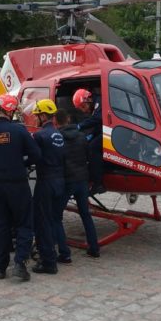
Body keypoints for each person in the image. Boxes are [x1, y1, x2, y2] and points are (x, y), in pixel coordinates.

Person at [0, 94, 42, 282]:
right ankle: (19, 265)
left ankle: (0, 268)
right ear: (11, 111)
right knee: (23, 224)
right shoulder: (19, 131)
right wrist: (23, 162)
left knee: (0, 226)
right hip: (17, 184)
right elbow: (36, 155)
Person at [55, 109, 100, 258]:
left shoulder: (58, 138)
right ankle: (94, 248)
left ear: (56, 121)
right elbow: (88, 157)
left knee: (56, 216)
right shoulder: (82, 137)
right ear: (68, 120)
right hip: (82, 180)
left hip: (67, 181)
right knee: (85, 215)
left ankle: (64, 252)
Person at [30, 99, 64, 273]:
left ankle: (48, 262)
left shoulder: (40, 136)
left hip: (46, 182)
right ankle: (58, 253)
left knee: (42, 222)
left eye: (37, 115)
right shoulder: (59, 134)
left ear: (43, 116)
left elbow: (32, 157)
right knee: (52, 220)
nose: (35, 118)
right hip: (60, 182)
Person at [73, 88, 105, 195]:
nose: (83, 110)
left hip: (112, 132)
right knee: (89, 145)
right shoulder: (96, 104)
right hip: (104, 131)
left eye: (83, 106)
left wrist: (80, 126)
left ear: (89, 100)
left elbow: (99, 119)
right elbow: (98, 125)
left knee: (93, 148)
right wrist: (91, 136)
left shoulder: (98, 103)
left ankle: (98, 184)